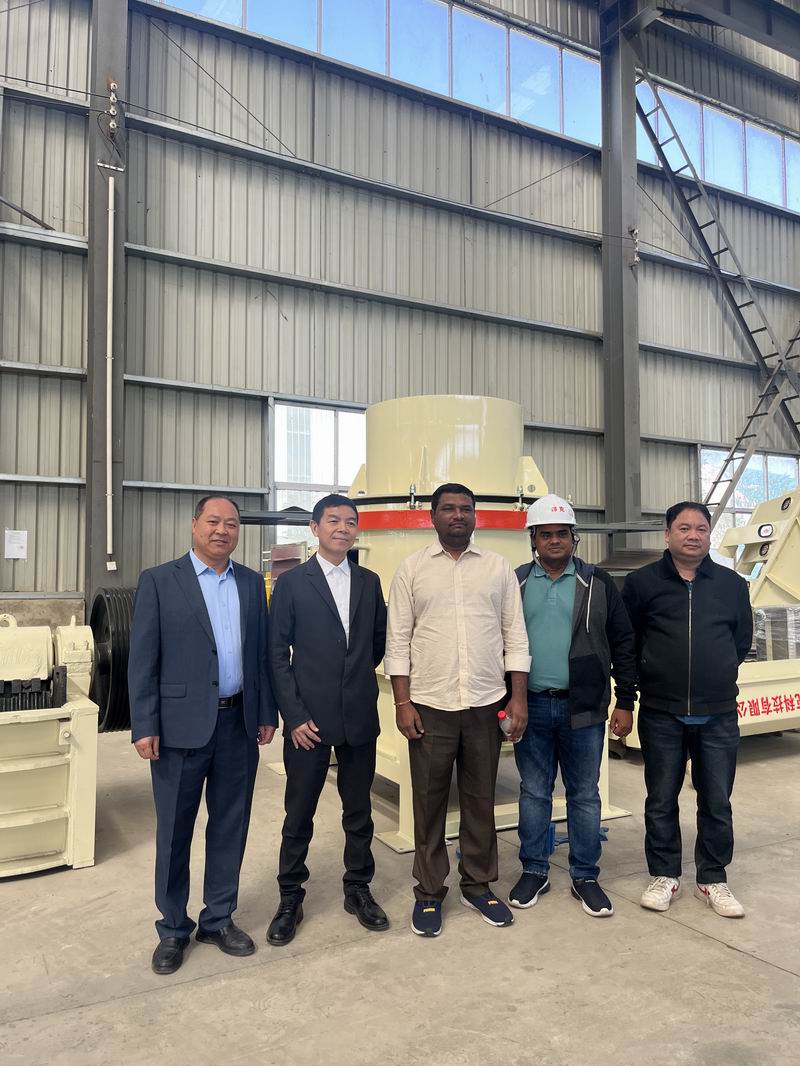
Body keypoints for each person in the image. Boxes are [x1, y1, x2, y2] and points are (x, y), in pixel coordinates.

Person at [129, 495, 276, 975]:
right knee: (175, 831)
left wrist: (266, 712)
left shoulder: (251, 583)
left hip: (238, 724)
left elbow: (260, 656)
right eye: (213, 521)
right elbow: (142, 659)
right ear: (194, 525)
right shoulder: (159, 581)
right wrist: (145, 724)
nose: (222, 530)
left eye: (231, 524)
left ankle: (218, 919)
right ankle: (173, 928)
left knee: (230, 824)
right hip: (178, 729)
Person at [384, 483, 531, 938]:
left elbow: (515, 635)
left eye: (466, 508)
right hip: (431, 705)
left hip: (486, 704)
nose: (458, 515)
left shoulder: (497, 568)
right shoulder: (412, 569)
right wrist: (403, 703)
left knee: (480, 800)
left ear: (475, 516)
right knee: (428, 802)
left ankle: (478, 885)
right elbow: (397, 641)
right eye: (448, 509)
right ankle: (429, 891)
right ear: (432, 517)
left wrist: (518, 697)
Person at [266, 495, 389, 945]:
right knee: (299, 812)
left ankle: (358, 888)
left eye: (350, 522)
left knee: (359, 812)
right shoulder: (292, 584)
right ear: (315, 528)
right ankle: (290, 897)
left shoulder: (369, 582)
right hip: (308, 724)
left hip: (358, 718)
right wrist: (295, 715)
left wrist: (351, 684)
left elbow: (377, 643)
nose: (343, 527)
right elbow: (276, 655)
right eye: (333, 520)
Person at [508, 494, 636, 918]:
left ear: (573, 538)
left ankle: (585, 875)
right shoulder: (516, 582)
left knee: (584, 795)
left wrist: (625, 699)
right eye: (545, 534)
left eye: (562, 533)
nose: (554, 540)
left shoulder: (597, 583)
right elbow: (497, 642)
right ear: (533, 539)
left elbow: (623, 641)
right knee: (533, 792)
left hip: (583, 708)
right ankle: (534, 870)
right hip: (530, 708)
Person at [623, 501, 753, 918]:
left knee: (716, 800)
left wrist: (716, 674)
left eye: (701, 528)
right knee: (661, 798)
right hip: (661, 711)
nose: (693, 535)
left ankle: (712, 878)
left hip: (718, 713)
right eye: (684, 528)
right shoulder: (642, 583)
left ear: (710, 535)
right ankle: (665, 875)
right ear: (667, 534)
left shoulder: (732, 585)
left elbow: (740, 641)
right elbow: (628, 642)